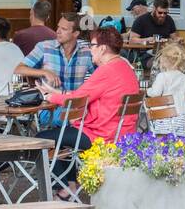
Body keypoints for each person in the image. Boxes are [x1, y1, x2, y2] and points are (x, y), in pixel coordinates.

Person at [37, 27, 139, 199]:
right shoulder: (124, 67)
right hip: (120, 133)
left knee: (42, 138)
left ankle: (63, 187)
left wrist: (49, 97)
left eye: (92, 45)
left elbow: (78, 98)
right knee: (61, 135)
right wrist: (56, 94)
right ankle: (69, 186)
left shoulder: (106, 70)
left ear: (102, 48)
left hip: (100, 136)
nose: (89, 49)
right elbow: (84, 95)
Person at [16, 12, 94, 127]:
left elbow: (102, 75)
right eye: (58, 27)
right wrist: (44, 72)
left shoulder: (86, 53)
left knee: (89, 117)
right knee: (84, 119)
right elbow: (18, 69)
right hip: (49, 108)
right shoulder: (45, 47)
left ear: (75, 33)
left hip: (75, 107)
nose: (58, 31)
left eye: (64, 29)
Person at [147, 40, 185, 137]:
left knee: (164, 141)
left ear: (164, 61)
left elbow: (155, 93)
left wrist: (148, 90)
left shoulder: (162, 76)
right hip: (181, 117)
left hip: (165, 117)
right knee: (179, 142)